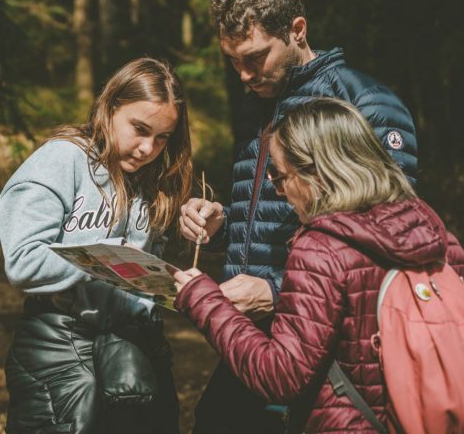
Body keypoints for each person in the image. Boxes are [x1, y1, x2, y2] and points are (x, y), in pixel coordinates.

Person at [178, 0, 419, 433]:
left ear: (297, 29)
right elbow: (270, 217)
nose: (243, 74)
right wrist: (220, 225)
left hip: (331, 357)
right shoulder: (257, 106)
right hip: (254, 342)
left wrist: (273, 290)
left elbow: (390, 243)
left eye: (255, 57)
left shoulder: (365, 104)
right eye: (232, 60)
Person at [173, 98, 464, 434]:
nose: (276, 189)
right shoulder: (435, 236)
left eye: (280, 176)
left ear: (317, 173)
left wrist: (203, 299)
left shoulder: (321, 248)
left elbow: (280, 376)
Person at [0, 58, 193, 434]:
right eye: (139, 129)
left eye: (163, 137)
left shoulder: (155, 176)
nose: (147, 148)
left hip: (136, 350)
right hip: (60, 346)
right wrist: (104, 258)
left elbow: (159, 263)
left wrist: (201, 224)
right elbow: (23, 262)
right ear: (110, 105)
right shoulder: (62, 159)